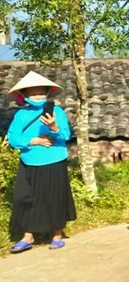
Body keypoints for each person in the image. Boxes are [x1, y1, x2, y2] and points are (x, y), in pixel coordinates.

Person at [6, 71, 76, 253]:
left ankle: (57, 235)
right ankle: (28, 236)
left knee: (55, 197)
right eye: (32, 93)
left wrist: (54, 127)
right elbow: (14, 138)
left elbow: (66, 135)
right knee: (25, 199)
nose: (37, 96)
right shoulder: (20, 115)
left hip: (54, 160)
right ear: (25, 96)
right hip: (29, 162)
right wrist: (34, 141)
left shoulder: (57, 112)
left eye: (40, 92)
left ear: (47, 94)